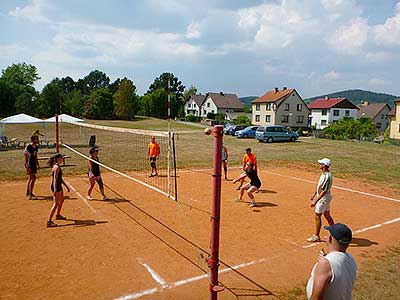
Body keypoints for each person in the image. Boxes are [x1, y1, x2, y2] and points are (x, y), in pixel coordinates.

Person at [306, 223, 357, 300]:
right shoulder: (351, 260)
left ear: (330, 239)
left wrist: (325, 262)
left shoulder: (326, 264)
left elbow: (316, 298)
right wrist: (327, 258)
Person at [307, 158, 335, 242]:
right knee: (327, 215)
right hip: (324, 197)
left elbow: (324, 191)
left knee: (317, 215)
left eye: (321, 164)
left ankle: (316, 236)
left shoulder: (327, 176)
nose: (320, 165)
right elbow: (320, 187)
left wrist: (315, 201)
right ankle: (334, 234)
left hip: (324, 198)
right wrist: (314, 194)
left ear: (324, 165)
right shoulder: (323, 174)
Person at [47, 154, 70, 227]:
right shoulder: (57, 167)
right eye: (61, 158)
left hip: (58, 185)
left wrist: (66, 185)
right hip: (56, 186)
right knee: (56, 203)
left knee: (62, 200)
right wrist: (55, 189)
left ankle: (58, 215)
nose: (62, 159)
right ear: (58, 159)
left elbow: (60, 178)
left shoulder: (56, 166)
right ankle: (49, 221)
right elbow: (55, 179)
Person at [24, 135, 40, 200]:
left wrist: (37, 164)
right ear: (32, 140)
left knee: (31, 178)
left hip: (33, 164)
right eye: (36, 139)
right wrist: (27, 165)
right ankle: (30, 195)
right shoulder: (29, 147)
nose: (37, 140)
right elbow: (26, 156)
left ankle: (28, 192)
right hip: (29, 164)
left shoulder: (36, 147)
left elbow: (35, 156)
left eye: (37, 139)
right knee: (33, 178)